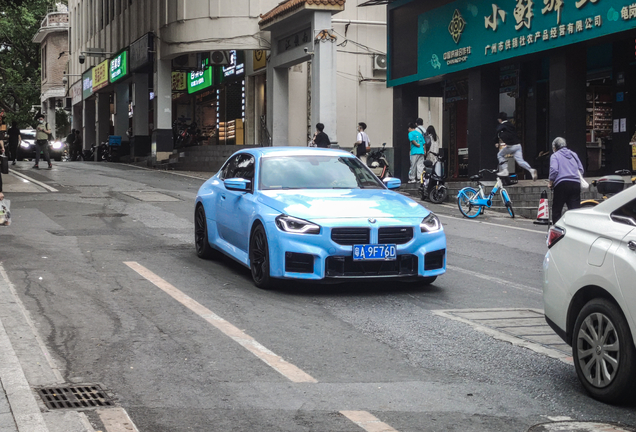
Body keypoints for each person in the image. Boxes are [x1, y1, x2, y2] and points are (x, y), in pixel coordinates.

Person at [548, 137, 583, 224]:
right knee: (574, 211)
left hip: (561, 184)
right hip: (575, 184)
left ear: (555, 147)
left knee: (557, 210)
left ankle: (557, 231)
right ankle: (575, 231)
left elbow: (554, 170)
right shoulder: (573, 154)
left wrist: (550, 182)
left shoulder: (555, 156)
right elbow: (581, 169)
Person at [494, 112, 537, 180]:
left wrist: (496, 141)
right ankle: (531, 170)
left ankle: (505, 170)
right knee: (520, 161)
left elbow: (497, 131)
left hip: (511, 146)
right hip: (518, 146)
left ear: (500, 119)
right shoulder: (511, 125)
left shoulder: (502, 126)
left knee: (500, 155)